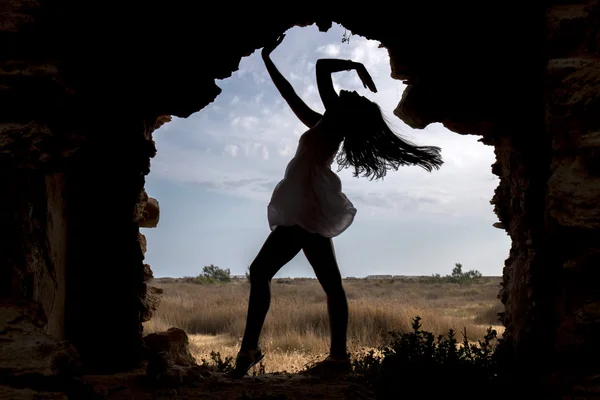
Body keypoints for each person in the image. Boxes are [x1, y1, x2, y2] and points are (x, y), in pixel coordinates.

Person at [228, 33, 443, 378]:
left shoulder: (333, 123)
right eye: (354, 91)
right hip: (309, 204)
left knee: (262, 271)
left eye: (354, 96)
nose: (352, 91)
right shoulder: (323, 122)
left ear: (347, 112)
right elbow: (289, 94)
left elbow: (321, 68)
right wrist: (267, 60)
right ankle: (337, 358)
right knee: (328, 283)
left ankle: (251, 350)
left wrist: (356, 65)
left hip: (306, 205)